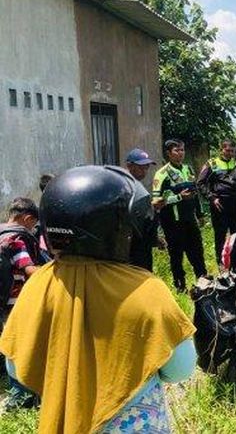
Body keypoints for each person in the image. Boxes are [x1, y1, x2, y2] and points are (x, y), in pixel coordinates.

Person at [0, 165, 196, 433]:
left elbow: (15, 367)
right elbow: (181, 368)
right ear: (118, 228)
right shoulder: (147, 290)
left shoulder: (37, 286)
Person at [0, 198, 45, 409]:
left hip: (3, 302)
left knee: (8, 344)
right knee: (19, 348)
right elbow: (28, 269)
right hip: (15, 303)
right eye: (33, 224)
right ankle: (21, 395)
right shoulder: (17, 239)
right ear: (27, 218)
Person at [153, 139, 207, 291]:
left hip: (190, 220)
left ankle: (203, 281)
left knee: (197, 252)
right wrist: (178, 197)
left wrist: (200, 213)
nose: (181, 153)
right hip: (172, 223)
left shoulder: (188, 169)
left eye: (182, 150)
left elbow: (195, 193)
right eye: (177, 150)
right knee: (176, 256)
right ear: (169, 153)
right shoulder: (161, 174)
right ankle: (180, 285)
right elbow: (155, 202)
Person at [197, 139, 236, 264]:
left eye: (232, 151)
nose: (229, 153)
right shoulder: (212, 163)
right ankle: (220, 263)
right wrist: (211, 197)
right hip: (220, 205)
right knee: (220, 235)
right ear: (221, 150)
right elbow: (200, 183)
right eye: (227, 150)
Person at [125, 148, 164, 271]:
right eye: (141, 167)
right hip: (133, 245)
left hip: (142, 243)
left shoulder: (137, 185)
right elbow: (134, 216)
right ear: (129, 166)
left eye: (147, 167)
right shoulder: (126, 186)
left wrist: (154, 238)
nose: (145, 171)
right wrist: (153, 207)